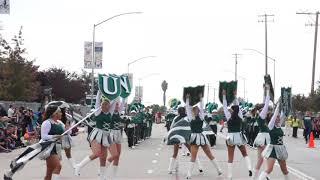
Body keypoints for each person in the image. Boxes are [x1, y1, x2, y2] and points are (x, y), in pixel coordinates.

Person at [74, 90, 115, 180]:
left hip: (106, 136)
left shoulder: (110, 113)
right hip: (97, 134)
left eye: (108, 104)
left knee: (103, 158)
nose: (107, 106)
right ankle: (79, 166)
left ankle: (102, 177)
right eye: (104, 104)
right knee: (96, 153)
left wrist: (117, 93)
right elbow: (97, 100)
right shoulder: (98, 112)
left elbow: (114, 101)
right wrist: (99, 92)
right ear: (101, 105)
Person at [185, 94, 222, 179]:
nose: (198, 110)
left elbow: (202, 107)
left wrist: (201, 98)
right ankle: (189, 174)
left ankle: (219, 170)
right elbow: (187, 107)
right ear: (193, 111)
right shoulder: (190, 117)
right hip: (194, 137)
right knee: (193, 156)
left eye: (198, 109)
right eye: (196, 109)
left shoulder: (201, 116)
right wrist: (187, 99)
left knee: (209, 154)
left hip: (201, 137)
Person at [222, 90, 252, 180]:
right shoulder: (240, 116)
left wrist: (224, 96)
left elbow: (224, 107)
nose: (229, 110)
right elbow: (237, 106)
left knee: (230, 156)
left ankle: (230, 176)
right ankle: (249, 168)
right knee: (245, 153)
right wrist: (235, 96)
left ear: (232, 110)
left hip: (230, 137)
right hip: (238, 137)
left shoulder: (228, 116)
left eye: (231, 109)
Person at [258, 104, 290, 180]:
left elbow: (283, 114)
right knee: (269, 169)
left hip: (281, 149)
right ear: (273, 118)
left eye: (279, 117)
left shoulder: (279, 125)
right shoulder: (271, 125)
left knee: (284, 170)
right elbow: (275, 114)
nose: (279, 118)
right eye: (277, 117)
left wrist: (284, 102)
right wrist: (278, 105)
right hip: (272, 149)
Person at [40, 105, 65, 180]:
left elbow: (67, 132)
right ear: (54, 113)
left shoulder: (59, 123)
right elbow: (43, 136)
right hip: (48, 147)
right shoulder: (47, 123)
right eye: (60, 112)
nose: (61, 114)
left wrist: (67, 126)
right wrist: (55, 136)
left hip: (57, 147)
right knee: (58, 166)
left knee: (49, 172)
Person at [252, 85, 271, 179]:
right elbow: (266, 103)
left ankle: (258, 177)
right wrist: (267, 91)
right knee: (266, 158)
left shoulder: (260, 115)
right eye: (265, 109)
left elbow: (265, 103)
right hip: (263, 138)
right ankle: (265, 175)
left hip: (262, 137)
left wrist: (264, 90)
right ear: (262, 110)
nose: (267, 110)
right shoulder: (262, 115)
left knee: (261, 160)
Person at [107, 98, 125, 179]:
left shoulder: (119, 112)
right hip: (111, 133)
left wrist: (124, 96)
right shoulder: (109, 112)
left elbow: (123, 102)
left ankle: (114, 176)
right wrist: (114, 97)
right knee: (115, 155)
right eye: (116, 105)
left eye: (118, 105)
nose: (117, 106)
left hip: (118, 133)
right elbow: (113, 102)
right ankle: (102, 169)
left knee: (118, 156)